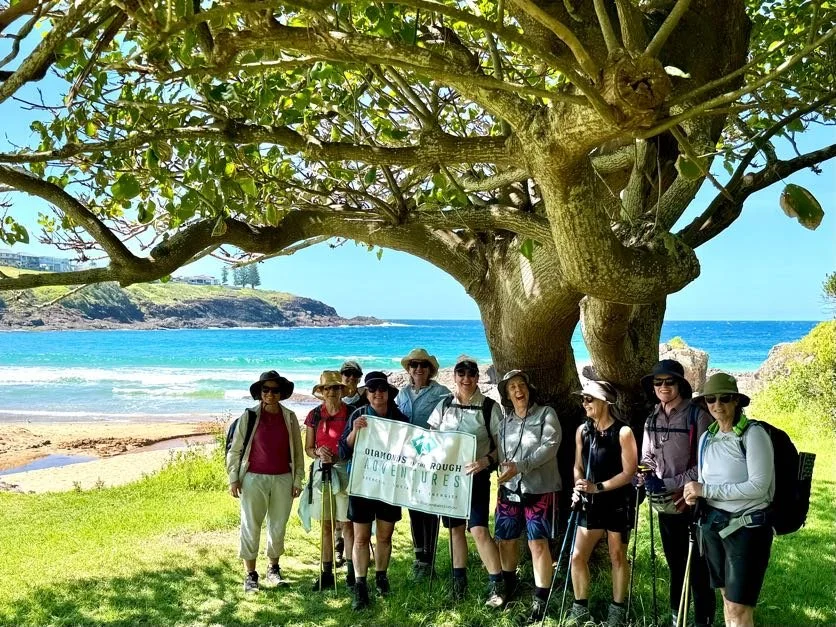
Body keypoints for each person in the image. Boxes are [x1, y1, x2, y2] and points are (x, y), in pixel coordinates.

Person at [684, 373, 774, 627]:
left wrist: (706, 490)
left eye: (725, 398)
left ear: (736, 401)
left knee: (738, 607)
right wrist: (694, 495)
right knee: (726, 599)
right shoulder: (706, 439)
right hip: (714, 525)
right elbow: (705, 485)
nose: (717, 404)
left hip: (747, 528)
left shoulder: (753, 435)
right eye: (711, 399)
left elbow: (759, 487)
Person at [640, 360, 716, 627]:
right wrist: (646, 474)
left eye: (669, 382)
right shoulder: (652, 418)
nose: (663, 387)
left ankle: (703, 620)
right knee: (675, 563)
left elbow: (705, 465)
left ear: (680, 385)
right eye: (658, 382)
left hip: (694, 504)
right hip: (666, 505)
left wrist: (670, 482)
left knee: (697, 566)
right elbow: (647, 456)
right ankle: (677, 617)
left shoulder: (698, 416)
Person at [427, 355, 505, 608]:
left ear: (477, 377)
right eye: (461, 373)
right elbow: (431, 438)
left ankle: (497, 584)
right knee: (455, 530)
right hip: (448, 479)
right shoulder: (444, 405)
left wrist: (486, 461)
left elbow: (503, 446)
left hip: (477, 476)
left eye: (471, 374)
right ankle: (459, 583)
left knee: (478, 529)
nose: (466, 378)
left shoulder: (489, 408)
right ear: (455, 376)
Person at [568, 380, 638, 627]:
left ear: (604, 402)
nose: (584, 403)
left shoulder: (623, 432)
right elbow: (578, 465)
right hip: (590, 503)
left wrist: (597, 488)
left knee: (617, 556)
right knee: (577, 557)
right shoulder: (582, 431)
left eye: (589, 399)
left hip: (617, 502)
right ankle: (580, 607)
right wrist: (579, 485)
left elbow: (629, 472)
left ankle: (617, 610)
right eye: (583, 399)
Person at [494, 369, 562, 623]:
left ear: (529, 389)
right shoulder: (503, 425)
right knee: (506, 539)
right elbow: (502, 457)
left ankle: (540, 598)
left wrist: (520, 466)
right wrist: (505, 471)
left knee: (538, 544)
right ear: (507, 395)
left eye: (521, 385)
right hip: (509, 489)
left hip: (540, 490)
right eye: (512, 388)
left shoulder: (547, 414)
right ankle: (508, 586)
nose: (518, 391)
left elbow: (550, 447)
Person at [226, 370, 304, 593]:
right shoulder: (249, 416)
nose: (270, 394)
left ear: (281, 393)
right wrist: (233, 478)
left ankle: (273, 569)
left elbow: (297, 452)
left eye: (275, 390)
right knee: (251, 525)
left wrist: (297, 479)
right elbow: (235, 450)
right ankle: (250, 575)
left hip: (283, 479)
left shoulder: (289, 417)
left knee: (278, 526)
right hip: (253, 479)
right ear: (260, 393)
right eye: (266, 390)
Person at [339, 371, 409, 610]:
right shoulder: (357, 415)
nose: (378, 393)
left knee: (384, 536)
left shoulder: (400, 418)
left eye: (382, 389)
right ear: (366, 394)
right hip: (362, 485)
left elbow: (410, 454)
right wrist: (355, 432)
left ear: (389, 393)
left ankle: (381, 576)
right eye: (372, 390)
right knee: (360, 537)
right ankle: (360, 585)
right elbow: (343, 451)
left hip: (389, 486)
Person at [394, 348, 451, 580]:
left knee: (430, 509)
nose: (418, 369)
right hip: (408, 460)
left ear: (430, 369)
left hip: (431, 459)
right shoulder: (401, 394)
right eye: (414, 365)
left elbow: (448, 425)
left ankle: (429, 559)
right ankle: (419, 558)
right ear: (408, 369)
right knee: (414, 507)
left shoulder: (442, 394)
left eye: (423, 365)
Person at [304, 370, 352, 591]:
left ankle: (353, 573)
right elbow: (308, 448)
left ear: (342, 391)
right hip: (321, 471)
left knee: (347, 523)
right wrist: (318, 454)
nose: (332, 392)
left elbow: (356, 445)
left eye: (335, 388)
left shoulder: (351, 413)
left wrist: (340, 455)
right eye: (327, 388)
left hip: (345, 470)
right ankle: (326, 573)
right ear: (321, 392)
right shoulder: (314, 415)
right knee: (325, 524)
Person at [336, 359, 364, 566]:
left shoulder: (363, 402)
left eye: (355, 375)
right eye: (347, 374)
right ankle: (339, 547)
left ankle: (353, 549)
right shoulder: (334, 399)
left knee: (352, 510)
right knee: (337, 509)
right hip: (336, 459)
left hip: (358, 460)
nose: (351, 378)